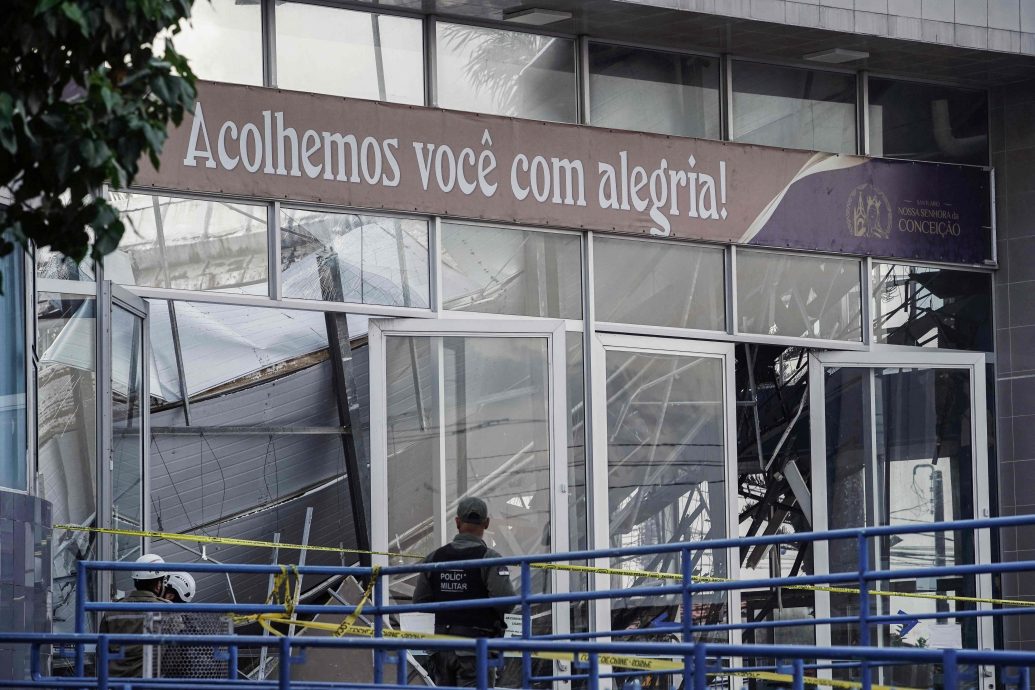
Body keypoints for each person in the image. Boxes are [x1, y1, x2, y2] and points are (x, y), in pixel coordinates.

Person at [413, 497, 516, 688]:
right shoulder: (489, 559)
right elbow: (506, 602)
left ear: (457, 522)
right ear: (486, 523)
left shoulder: (434, 558)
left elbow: (419, 602)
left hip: (441, 648)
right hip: (474, 649)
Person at [98, 553, 170, 678]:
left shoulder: (113, 610)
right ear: (159, 584)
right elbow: (176, 653)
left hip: (116, 682)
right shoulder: (168, 611)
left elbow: (101, 651)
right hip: (152, 682)